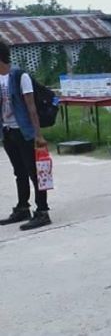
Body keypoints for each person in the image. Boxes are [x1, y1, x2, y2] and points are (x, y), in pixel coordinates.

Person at [0, 41, 50, 230]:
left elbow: (31, 108)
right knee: (19, 172)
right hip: (8, 131)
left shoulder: (20, 76)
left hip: (25, 132)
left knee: (35, 173)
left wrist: (38, 135)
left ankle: (43, 211)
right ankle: (23, 208)